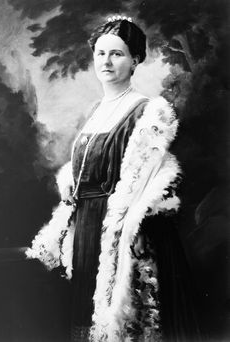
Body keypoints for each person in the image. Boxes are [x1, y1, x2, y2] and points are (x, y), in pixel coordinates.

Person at [26, 16, 200, 342]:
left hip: (120, 231)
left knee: (121, 322)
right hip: (87, 230)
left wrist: (123, 226)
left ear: (135, 59)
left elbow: (144, 180)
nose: (106, 61)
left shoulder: (147, 112)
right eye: (100, 53)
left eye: (117, 54)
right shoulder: (96, 110)